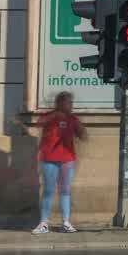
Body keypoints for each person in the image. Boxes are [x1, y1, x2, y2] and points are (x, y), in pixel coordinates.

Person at [32, 91, 87, 234]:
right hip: (49, 159)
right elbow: (39, 123)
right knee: (48, 191)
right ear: (59, 102)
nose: (70, 105)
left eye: (71, 102)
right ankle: (43, 223)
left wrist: (81, 129)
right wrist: (55, 115)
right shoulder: (49, 116)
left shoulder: (73, 119)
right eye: (68, 102)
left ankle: (66, 222)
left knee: (65, 191)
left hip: (67, 160)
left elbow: (83, 136)